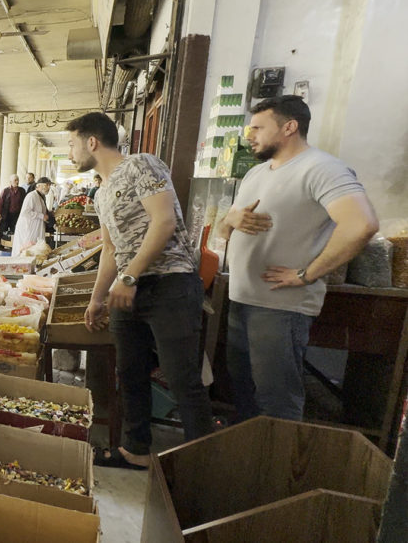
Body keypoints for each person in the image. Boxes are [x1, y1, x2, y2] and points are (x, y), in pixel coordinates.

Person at [218, 95, 378, 422]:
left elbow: (362, 225)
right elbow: (224, 228)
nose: (251, 135)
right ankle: (249, 458)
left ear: (289, 127)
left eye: (259, 127)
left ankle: (275, 470)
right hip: (241, 298)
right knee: (243, 390)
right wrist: (230, 221)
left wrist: (306, 275)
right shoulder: (257, 173)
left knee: (277, 400)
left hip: (280, 306)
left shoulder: (321, 168)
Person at [71, 111, 213, 470]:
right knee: (129, 373)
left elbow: (163, 221)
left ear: (92, 142)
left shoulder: (141, 165)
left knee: (183, 379)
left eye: (72, 144)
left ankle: (203, 467)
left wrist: (130, 278)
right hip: (126, 291)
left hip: (169, 285)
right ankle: (136, 450)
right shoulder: (101, 192)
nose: (70, 153)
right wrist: (97, 298)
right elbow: (110, 248)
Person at [11, 177, 52, 256]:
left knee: (36, 252)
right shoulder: (31, 196)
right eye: (47, 185)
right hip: (28, 229)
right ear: (39, 185)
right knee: (25, 252)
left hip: (36, 229)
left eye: (49, 185)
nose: (48, 187)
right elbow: (25, 212)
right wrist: (41, 216)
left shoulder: (41, 197)